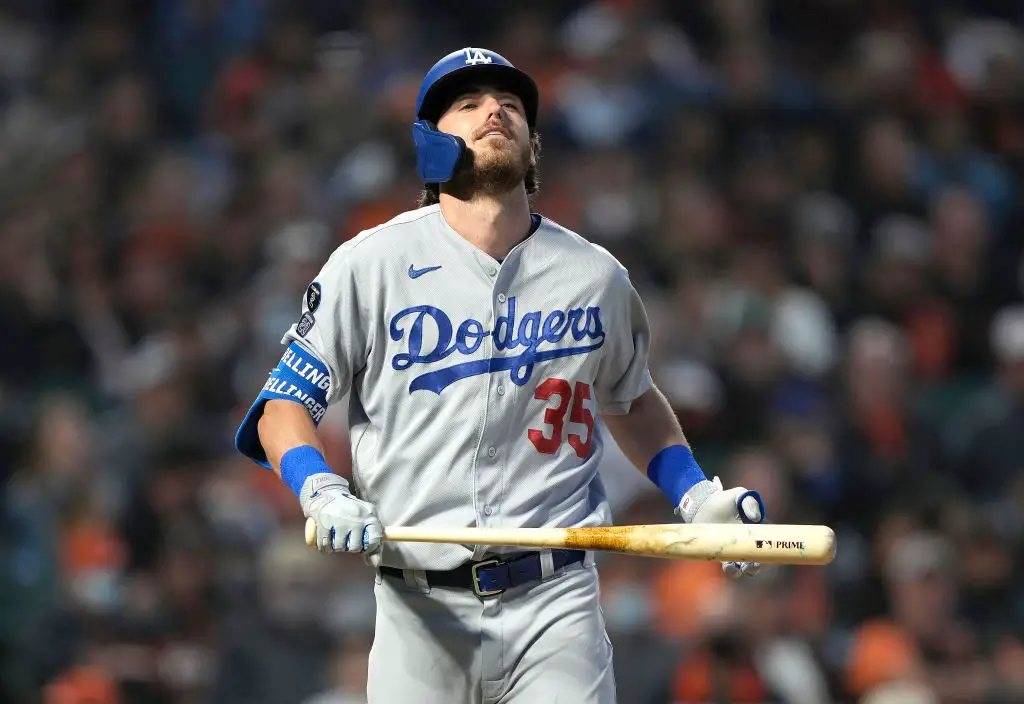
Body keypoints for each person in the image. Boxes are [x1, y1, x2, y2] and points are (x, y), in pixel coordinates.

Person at [235, 47, 765, 704]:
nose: (495, 110)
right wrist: (318, 488)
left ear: (534, 145)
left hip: (557, 604)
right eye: (470, 103)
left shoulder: (595, 277)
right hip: (417, 609)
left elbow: (629, 401)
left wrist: (692, 495)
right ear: (430, 143)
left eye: (510, 104)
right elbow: (282, 405)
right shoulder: (369, 265)